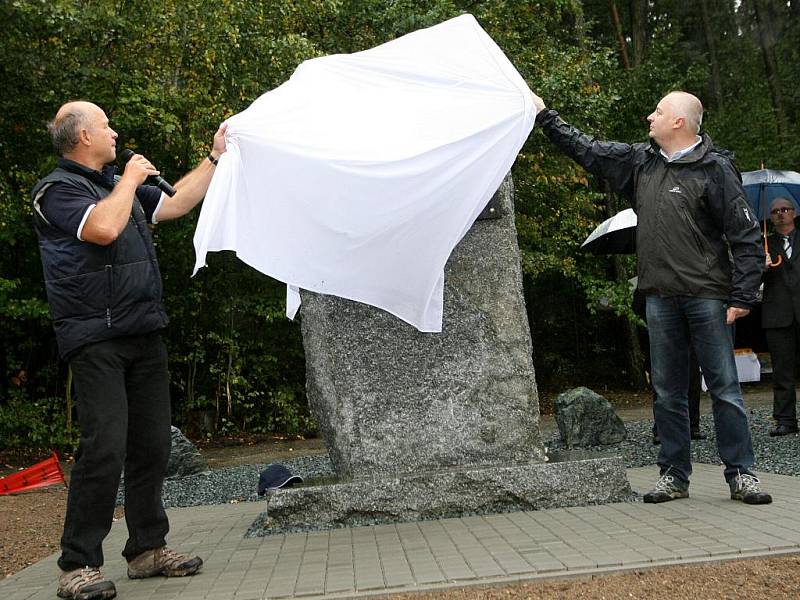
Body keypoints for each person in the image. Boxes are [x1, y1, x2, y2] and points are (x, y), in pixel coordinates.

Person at [530, 90, 771, 505]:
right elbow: (590, 151)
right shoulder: (641, 163)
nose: (650, 116)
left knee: (725, 389)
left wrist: (743, 296)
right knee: (667, 391)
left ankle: (742, 474)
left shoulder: (715, 169)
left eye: (658, 111)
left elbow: (745, 235)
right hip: (659, 296)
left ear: (679, 122)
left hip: (708, 296)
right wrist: (546, 117)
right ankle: (674, 476)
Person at [31, 101, 227, 600]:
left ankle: (145, 550)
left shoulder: (113, 185)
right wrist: (128, 180)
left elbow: (175, 203)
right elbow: (103, 229)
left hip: (143, 331)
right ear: (81, 138)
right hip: (95, 339)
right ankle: (77, 566)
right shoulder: (56, 191)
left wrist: (215, 157)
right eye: (105, 126)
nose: (115, 133)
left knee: (152, 446)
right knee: (104, 448)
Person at [762, 196, 800, 437]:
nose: (780, 214)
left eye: (784, 210)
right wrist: (760, 267)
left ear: (794, 213)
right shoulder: (763, 244)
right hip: (777, 315)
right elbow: (750, 280)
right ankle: (785, 420)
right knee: (782, 371)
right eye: (775, 211)